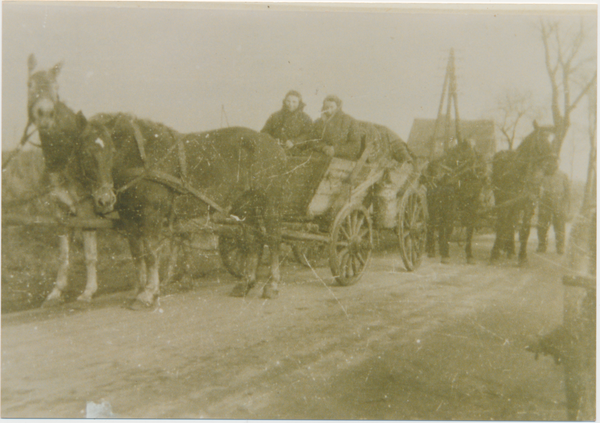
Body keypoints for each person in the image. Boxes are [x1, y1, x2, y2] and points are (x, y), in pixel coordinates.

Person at [308, 95, 363, 161]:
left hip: (341, 159)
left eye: (332, 107)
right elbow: (311, 140)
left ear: (338, 107)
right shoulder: (318, 122)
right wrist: (323, 147)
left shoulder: (349, 121)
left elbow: (355, 146)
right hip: (320, 155)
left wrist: (335, 150)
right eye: (326, 107)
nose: (328, 110)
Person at [537, 154, 570, 254]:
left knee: (559, 225)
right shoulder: (542, 175)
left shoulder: (562, 175)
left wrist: (565, 205)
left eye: (554, 162)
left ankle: (560, 247)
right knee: (542, 225)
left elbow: (567, 191)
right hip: (545, 201)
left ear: (557, 163)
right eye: (549, 162)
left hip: (558, 201)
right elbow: (537, 187)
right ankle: (542, 245)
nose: (551, 164)